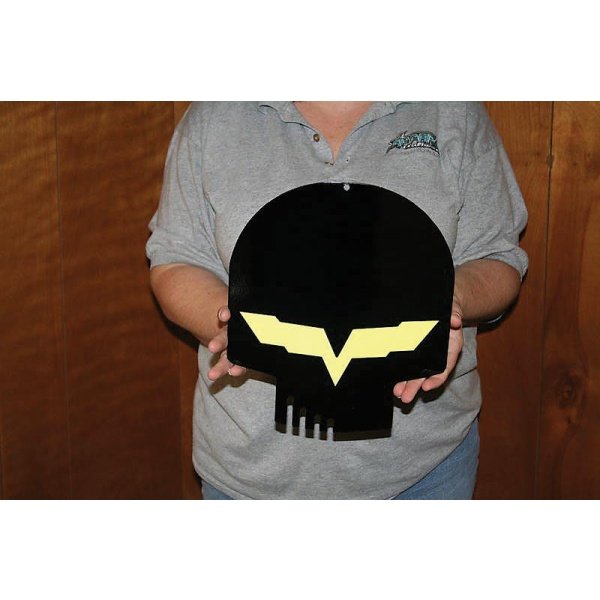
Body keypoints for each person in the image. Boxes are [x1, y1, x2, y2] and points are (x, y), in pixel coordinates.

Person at [145, 101, 528, 500]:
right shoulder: (215, 114)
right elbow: (176, 258)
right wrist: (230, 325)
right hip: (248, 472)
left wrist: (447, 302)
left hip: (423, 473)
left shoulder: (454, 111)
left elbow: (498, 257)